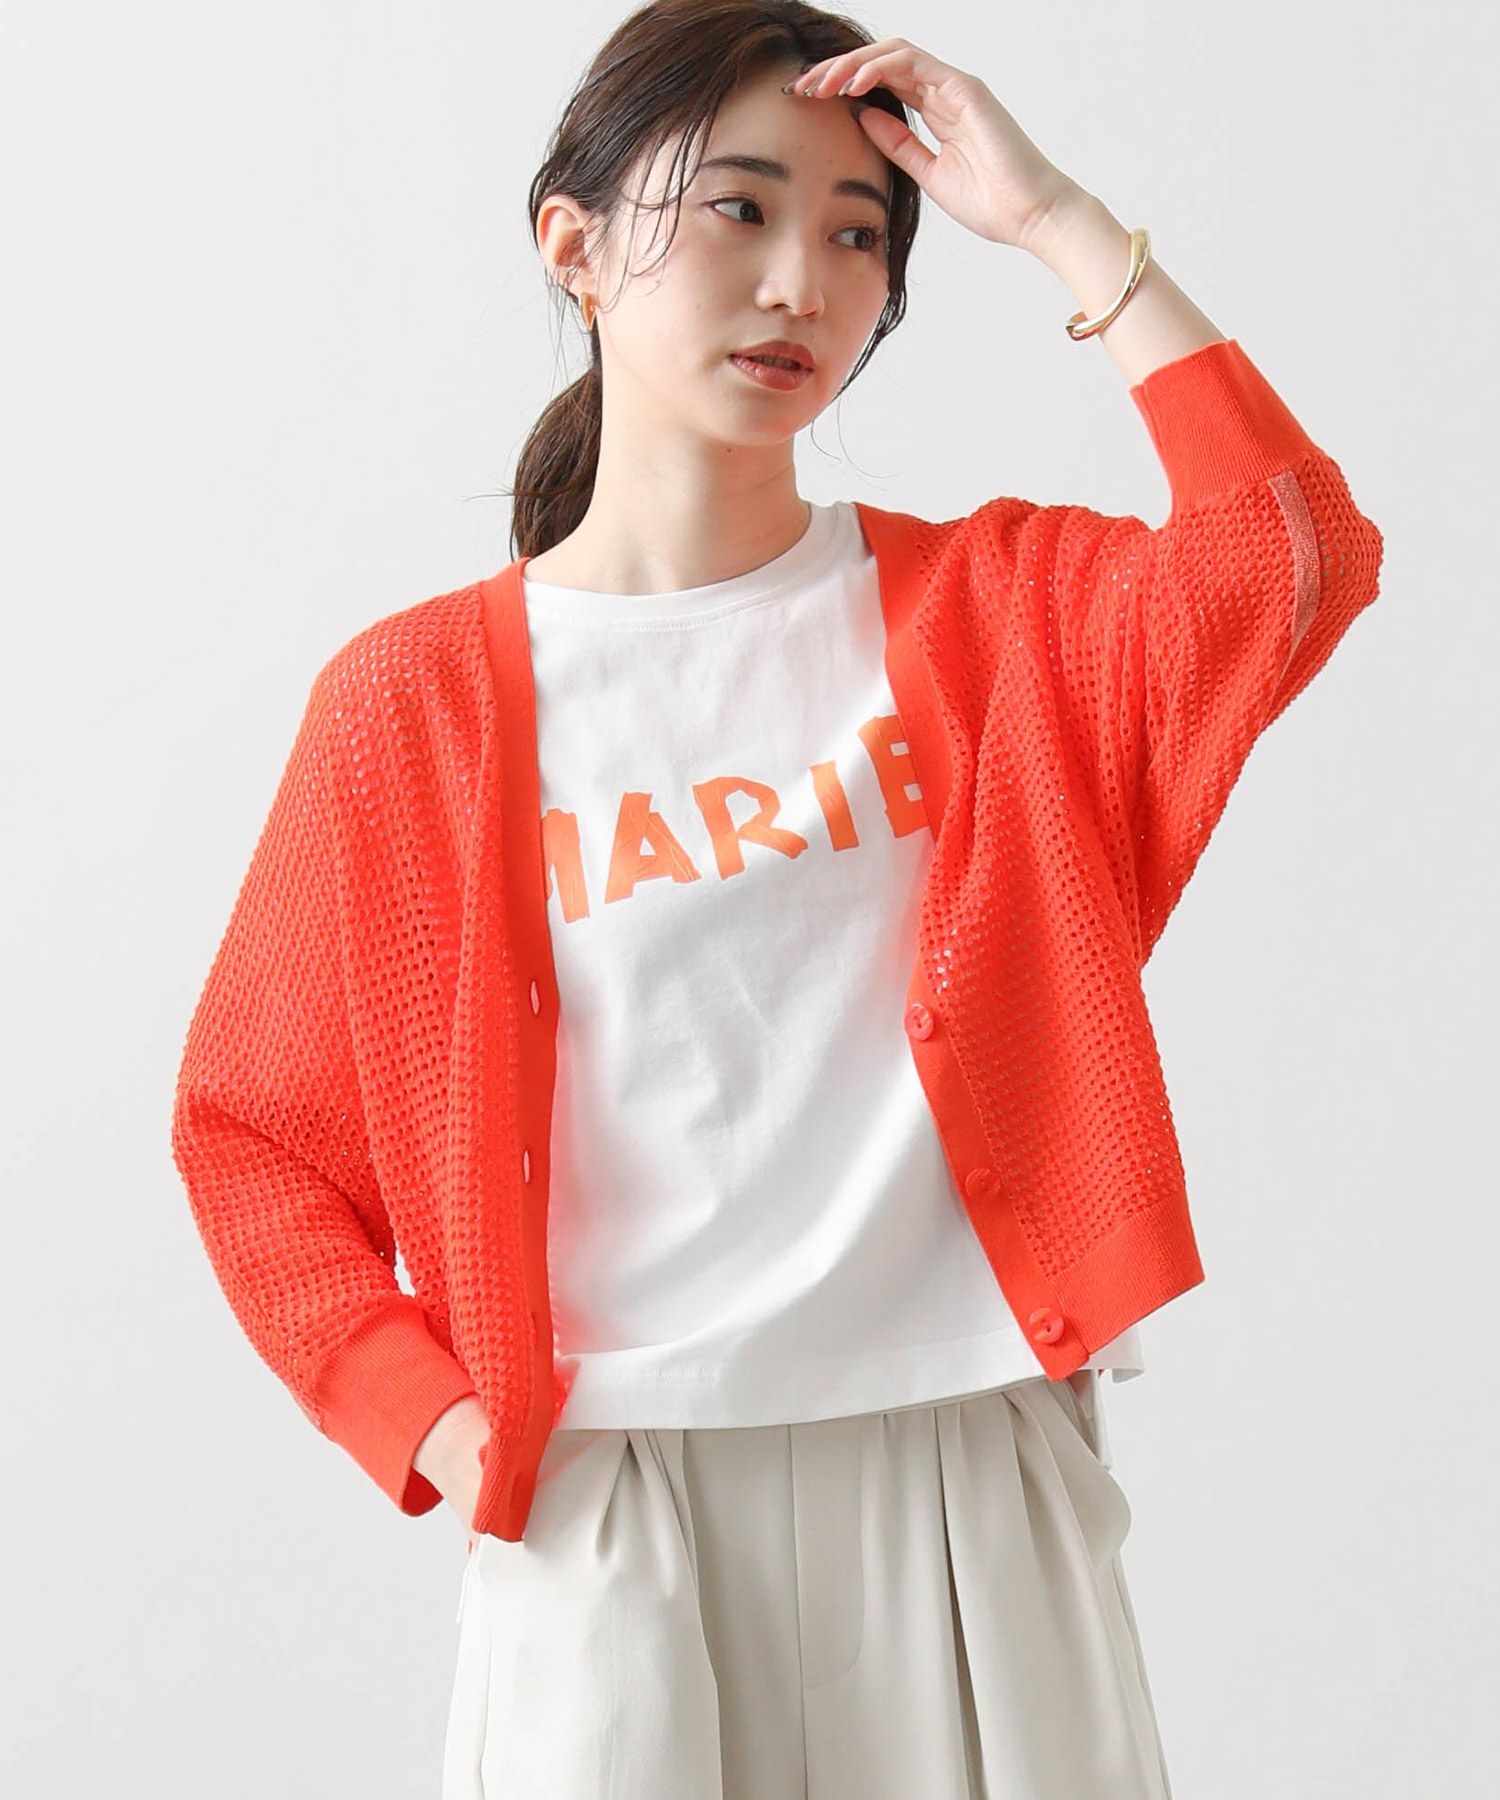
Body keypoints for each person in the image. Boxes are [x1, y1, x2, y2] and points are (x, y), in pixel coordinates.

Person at [170, 3, 1385, 1796]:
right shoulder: (411, 707)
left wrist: (1055, 219)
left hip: (965, 1474)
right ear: (573, 245)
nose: (802, 282)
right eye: (738, 208)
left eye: (856, 234)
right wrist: (431, 1420)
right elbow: (252, 1132)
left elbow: (1286, 557)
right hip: (617, 1498)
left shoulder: (993, 618)